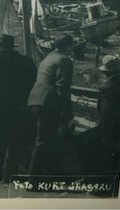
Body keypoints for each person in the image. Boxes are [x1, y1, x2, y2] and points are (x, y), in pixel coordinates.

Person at [0, 33, 37, 182]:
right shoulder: (26, 62)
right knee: (16, 141)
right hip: (20, 109)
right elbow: (32, 85)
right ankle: (9, 174)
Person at [27, 34, 78, 175]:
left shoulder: (48, 57)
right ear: (69, 46)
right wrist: (68, 115)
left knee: (48, 139)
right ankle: (34, 178)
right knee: (44, 140)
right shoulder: (64, 60)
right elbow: (63, 89)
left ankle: (50, 173)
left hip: (36, 101)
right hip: (48, 104)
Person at [76, 55, 120, 175]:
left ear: (104, 72)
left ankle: (90, 174)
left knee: (81, 141)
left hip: (110, 129)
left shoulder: (107, 88)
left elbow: (106, 112)